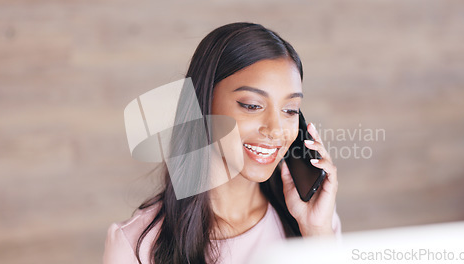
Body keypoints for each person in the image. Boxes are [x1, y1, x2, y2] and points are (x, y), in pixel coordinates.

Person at [103, 22, 341, 264]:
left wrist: (317, 234)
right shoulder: (135, 245)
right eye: (252, 106)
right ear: (203, 103)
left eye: (290, 110)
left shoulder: (314, 221)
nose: (275, 130)